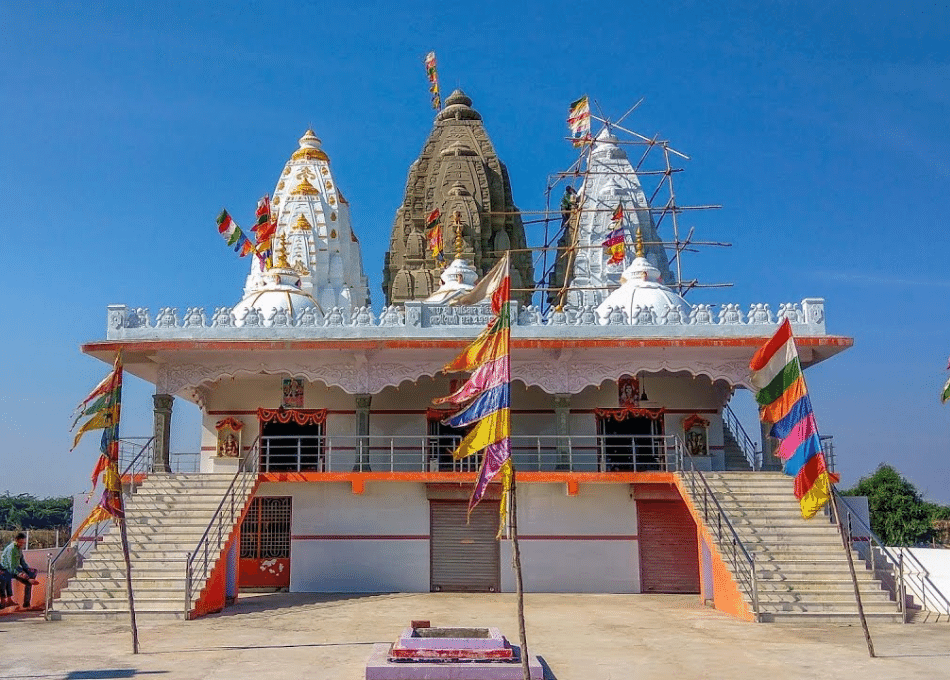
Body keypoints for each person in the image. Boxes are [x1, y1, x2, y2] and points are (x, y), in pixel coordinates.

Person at [1, 533, 39, 609]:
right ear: (16, 540)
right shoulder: (11, 549)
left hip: (16, 568)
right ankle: (29, 582)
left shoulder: (19, 548)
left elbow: (22, 561)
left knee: (33, 572)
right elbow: (11, 567)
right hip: (7, 569)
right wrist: (24, 576)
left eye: (23, 543)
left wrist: (27, 570)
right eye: (20, 542)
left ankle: (26, 603)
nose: (22, 544)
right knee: (28, 580)